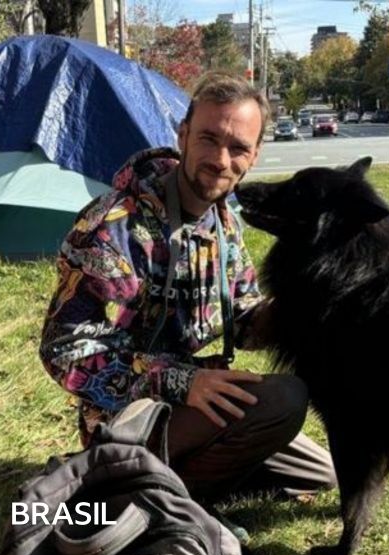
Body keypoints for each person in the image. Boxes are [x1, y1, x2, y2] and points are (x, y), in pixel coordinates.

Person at [40, 73, 336, 508]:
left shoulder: (224, 222)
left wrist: (305, 311)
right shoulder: (114, 226)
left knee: (318, 472)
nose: (220, 159)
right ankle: (134, 492)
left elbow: (243, 312)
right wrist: (180, 381)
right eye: (208, 139)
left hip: (195, 398)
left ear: (254, 156)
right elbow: (63, 350)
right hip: (128, 417)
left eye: (237, 148)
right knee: (285, 400)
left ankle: (156, 486)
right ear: (183, 136)